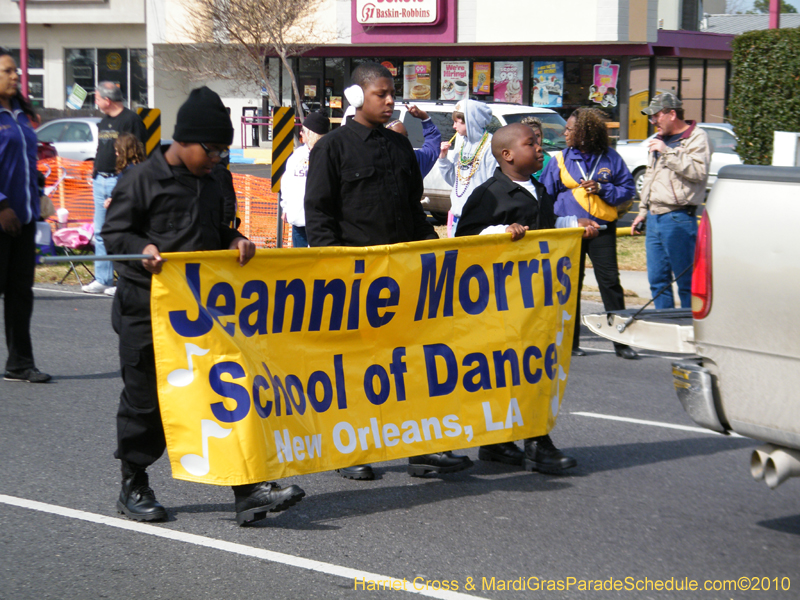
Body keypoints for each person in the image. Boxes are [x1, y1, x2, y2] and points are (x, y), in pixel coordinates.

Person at [102, 86, 305, 526]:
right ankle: (133, 482)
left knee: (225, 395)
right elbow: (114, 235)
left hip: (205, 315)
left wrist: (236, 241)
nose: (217, 159)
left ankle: (247, 489)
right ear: (184, 141)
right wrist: (143, 247)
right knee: (147, 404)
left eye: (223, 151)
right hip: (148, 313)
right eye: (211, 150)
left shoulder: (217, 180)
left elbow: (220, 230)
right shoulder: (141, 179)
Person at [304, 62, 472, 480]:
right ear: (357, 97)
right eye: (382, 93)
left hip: (404, 279)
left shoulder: (399, 147)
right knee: (359, 369)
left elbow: (412, 210)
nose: (391, 100)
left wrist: (432, 257)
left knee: (412, 365)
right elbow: (319, 216)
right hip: (355, 281)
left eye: (392, 92)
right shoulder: (332, 148)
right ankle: (351, 452)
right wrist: (334, 270)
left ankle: (421, 449)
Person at [457, 123, 599, 473]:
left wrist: (574, 224)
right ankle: (535, 444)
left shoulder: (538, 189)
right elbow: (464, 239)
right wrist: (499, 232)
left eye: (539, 142)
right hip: (500, 304)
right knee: (516, 373)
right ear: (507, 155)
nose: (539, 148)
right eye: (530, 143)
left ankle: (499, 444)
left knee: (532, 370)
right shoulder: (489, 194)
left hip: (536, 300)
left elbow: (546, 228)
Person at [540, 107, 638, 359]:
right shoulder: (559, 160)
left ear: (584, 133)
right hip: (569, 231)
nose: (565, 133)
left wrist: (603, 188)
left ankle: (621, 342)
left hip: (602, 230)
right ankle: (570, 343)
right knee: (570, 285)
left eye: (570, 129)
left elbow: (627, 190)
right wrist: (556, 224)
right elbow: (546, 198)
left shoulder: (610, 158)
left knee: (610, 284)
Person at [631, 93, 710, 309]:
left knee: (686, 283)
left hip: (678, 218)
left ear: (672, 114)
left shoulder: (696, 138)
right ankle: (664, 331)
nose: (652, 122)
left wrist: (667, 152)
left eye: (656, 116)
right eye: (651, 118)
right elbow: (650, 177)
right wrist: (643, 211)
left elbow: (698, 172)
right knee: (658, 283)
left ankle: (689, 334)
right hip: (655, 218)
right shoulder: (660, 140)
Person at [0, 48, 50, 383]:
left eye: (16, 71)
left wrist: (39, 193)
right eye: (7, 71)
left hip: (25, 219)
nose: (16, 76)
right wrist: (2, 205)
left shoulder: (20, 113)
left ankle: (20, 363)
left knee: (21, 292)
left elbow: (28, 164)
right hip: (3, 216)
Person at [83, 81, 147, 297]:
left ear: (107, 100)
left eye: (98, 98)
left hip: (120, 179)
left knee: (125, 230)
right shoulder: (103, 122)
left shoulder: (131, 120)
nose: (96, 101)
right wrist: (94, 174)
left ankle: (126, 279)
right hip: (100, 180)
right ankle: (103, 278)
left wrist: (126, 183)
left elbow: (137, 152)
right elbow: (101, 148)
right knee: (101, 232)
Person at [437, 99, 498, 237]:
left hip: (479, 218)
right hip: (457, 216)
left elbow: (493, 183)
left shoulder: (491, 145)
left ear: (470, 121)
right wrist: (443, 158)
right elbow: (455, 181)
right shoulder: (462, 144)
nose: (453, 126)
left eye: (457, 122)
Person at [280, 112, 330, 248]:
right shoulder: (297, 156)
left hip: (323, 223)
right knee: (302, 263)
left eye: (303, 131)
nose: (301, 134)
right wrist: (285, 208)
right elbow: (286, 183)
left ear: (311, 133)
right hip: (299, 220)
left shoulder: (330, 153)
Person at [385, 104, 442, 178]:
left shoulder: (415, 160)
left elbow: (432, 145)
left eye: (406, 136)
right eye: (398, 137)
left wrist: (425, 118)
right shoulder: (376, 163)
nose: (404, 140)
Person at [102, 133, 145, 209]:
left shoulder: (129, 173)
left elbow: (126, 197)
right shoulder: (140, 167)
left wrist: (112, 203)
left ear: (123, 151)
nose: (116, 153)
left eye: (117, 151)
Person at [520, 116, 551, 181]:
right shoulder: (517, 158)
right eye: (530, 135)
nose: (535, 139)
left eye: (537, 135)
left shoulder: (547, 160)